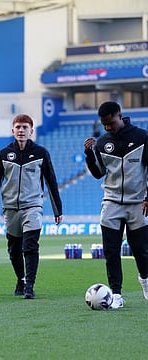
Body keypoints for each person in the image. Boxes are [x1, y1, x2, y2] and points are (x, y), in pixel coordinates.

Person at [0, 114, 63, 299]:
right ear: (13, 130)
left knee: (30, 246)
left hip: (33, 206)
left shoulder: (41, 153)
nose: (21, 130)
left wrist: (57, 210)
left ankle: (30, 285)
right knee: (14, 249)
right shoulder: (4, 154)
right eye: (18, 127)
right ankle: (20, 279)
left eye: (25, 127)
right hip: (11, 208)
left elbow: (51, 181)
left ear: (31, 131)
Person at [84, 101, 148, 309]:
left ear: (120, 116)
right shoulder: (102, 143)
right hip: (111, 202)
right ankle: (117, 294)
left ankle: (145, 281)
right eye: (104, 125)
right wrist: (89, 155)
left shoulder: (141, 137)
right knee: (111, 250)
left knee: (141, 249)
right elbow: (98, 174)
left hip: (138, 202)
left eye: (110, 123)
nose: (108, 128)